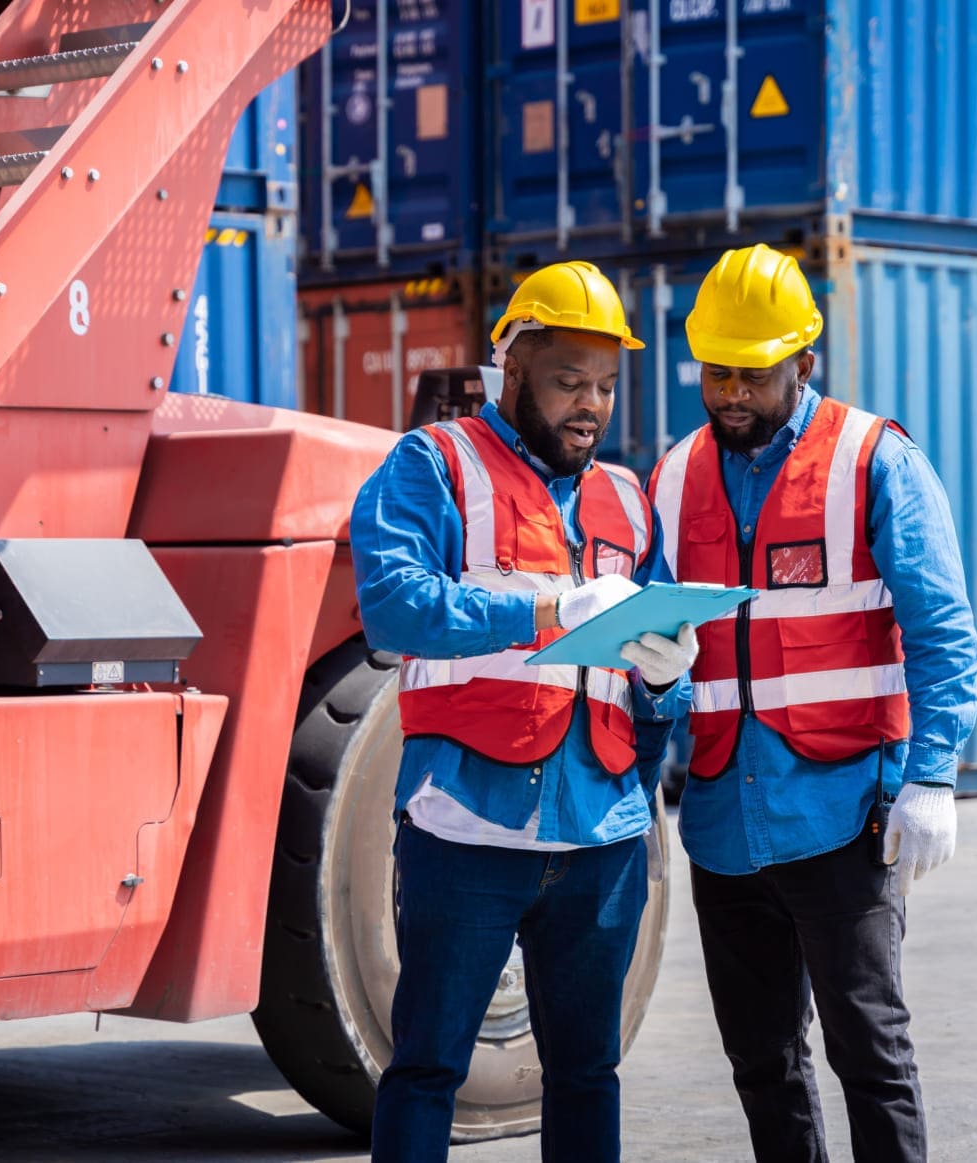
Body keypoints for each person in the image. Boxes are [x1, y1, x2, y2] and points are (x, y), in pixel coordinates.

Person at [350, 261, 697, 1163]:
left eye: (607, 385)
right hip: (468, 832)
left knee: (588, 1074)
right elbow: (392, 607)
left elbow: (651, 687)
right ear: (514, 370)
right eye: (568, 380)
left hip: (603, 838)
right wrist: (544, 610)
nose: (591, 404)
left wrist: (667, 679)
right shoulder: (433, 464)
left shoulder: (626, 498)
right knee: (427, 1067)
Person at [649, 244, 977, 1162]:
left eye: (753, 374)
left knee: (869, 1053)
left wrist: (933, 778)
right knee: (761, 1062)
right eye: (716, 372)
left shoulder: (875, 460)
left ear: (804, 360)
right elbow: (659, 653)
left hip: (843, 819)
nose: (731, 394)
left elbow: (942, 632)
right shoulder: (673, 479)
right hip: (721, 824)